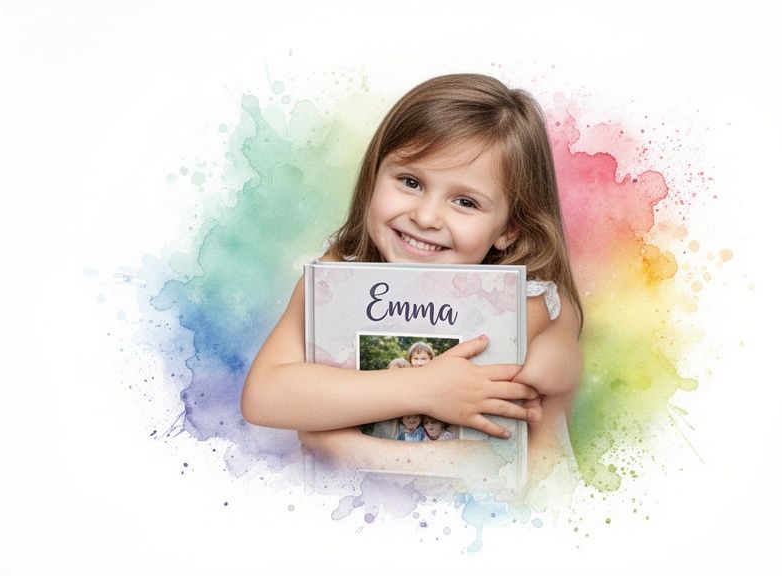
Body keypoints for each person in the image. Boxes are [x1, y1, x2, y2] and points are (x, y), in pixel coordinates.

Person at [242, 73, 584, 494]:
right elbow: (264, 397)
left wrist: (347, 448)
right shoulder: (331, 283)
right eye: (410, 182)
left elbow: (500, 464)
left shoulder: (526, 304)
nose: (425, 217)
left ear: (509, 229)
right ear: (373, 178)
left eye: (465, 202)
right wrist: (422, 388)